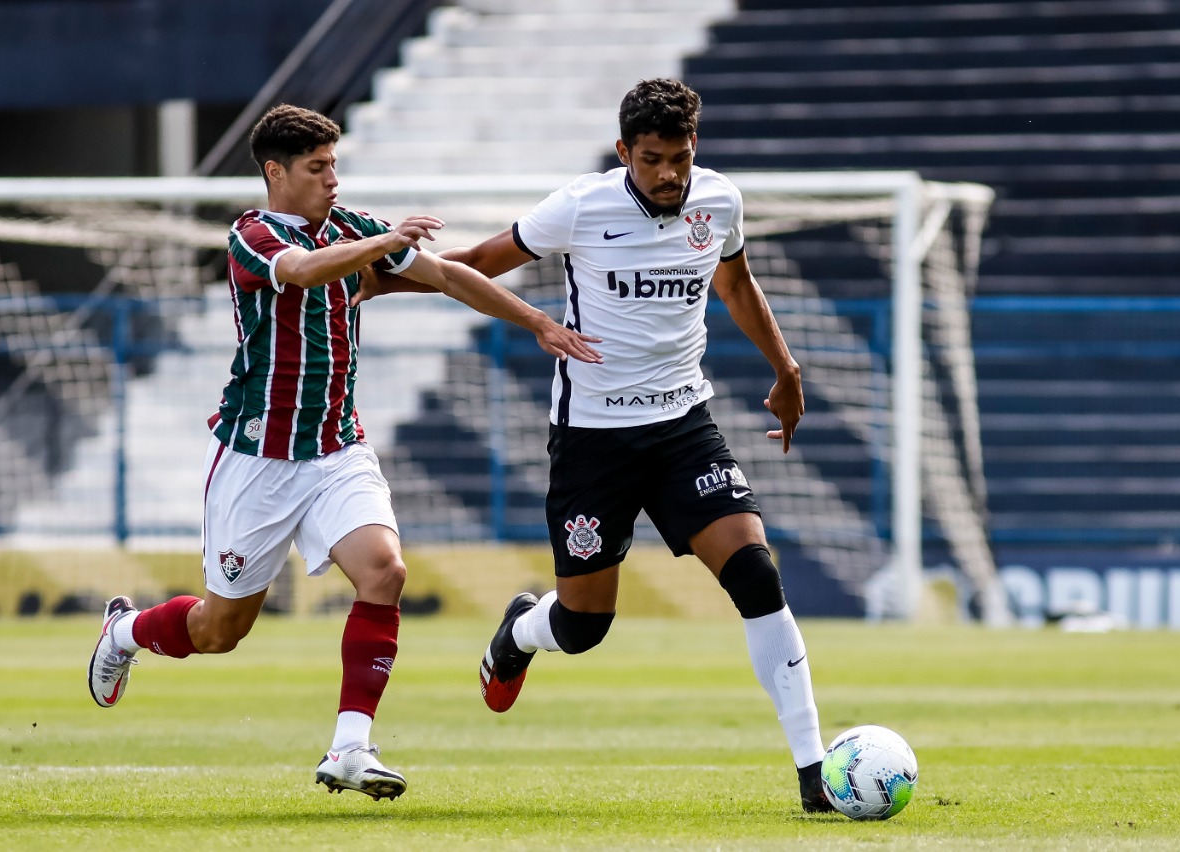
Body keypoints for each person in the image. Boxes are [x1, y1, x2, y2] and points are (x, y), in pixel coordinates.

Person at [86, 104, 602, 801]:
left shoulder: (354, 228)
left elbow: (447, 276)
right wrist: (383, 241)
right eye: (317, 167)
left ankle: (351, 747)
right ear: (276, 172)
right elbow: (301, 272)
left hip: (337, 450)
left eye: (335, 165)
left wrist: (537, 319)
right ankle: (125, 632)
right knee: (219, 630)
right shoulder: (252, 236)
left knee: (385, 571)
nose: (332, 178)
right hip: (259, 460)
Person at [356, 78, 833, 812]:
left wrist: (786, 367)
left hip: (684, 429)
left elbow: (737, 284)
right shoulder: (581, 206)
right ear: (624, 153)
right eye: (651, 160)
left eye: (679, 156)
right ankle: (521, 630)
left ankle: (814, 773)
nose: (669, 173)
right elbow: (482, 260)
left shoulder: (719, 202)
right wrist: (394, 283)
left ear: (694, 147)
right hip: (593, 441)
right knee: (583, 627)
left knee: (757, 578)